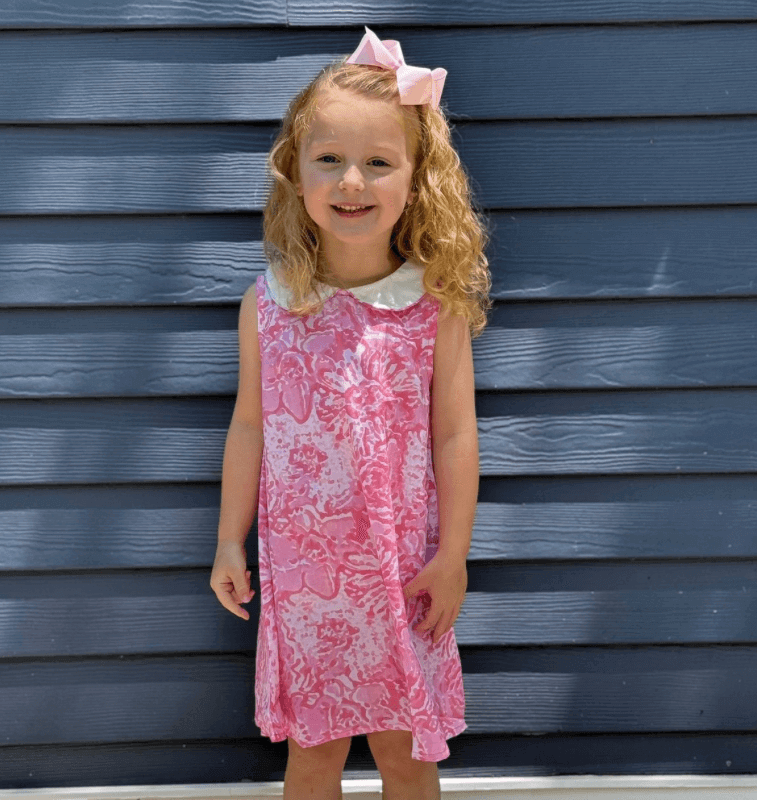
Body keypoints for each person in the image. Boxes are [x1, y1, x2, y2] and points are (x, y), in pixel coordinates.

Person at [210, 26, 491, 800]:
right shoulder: (268, 305)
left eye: (378, 162)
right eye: (329, 159)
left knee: (405, 758)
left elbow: (456, 433)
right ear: (294, 173)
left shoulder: (434, 309)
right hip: (305, 583)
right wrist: (229, 541)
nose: (352, 182)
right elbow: (250, 426)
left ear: (416, 177)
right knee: (313, 758)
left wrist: (456, 553)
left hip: (406, 577)